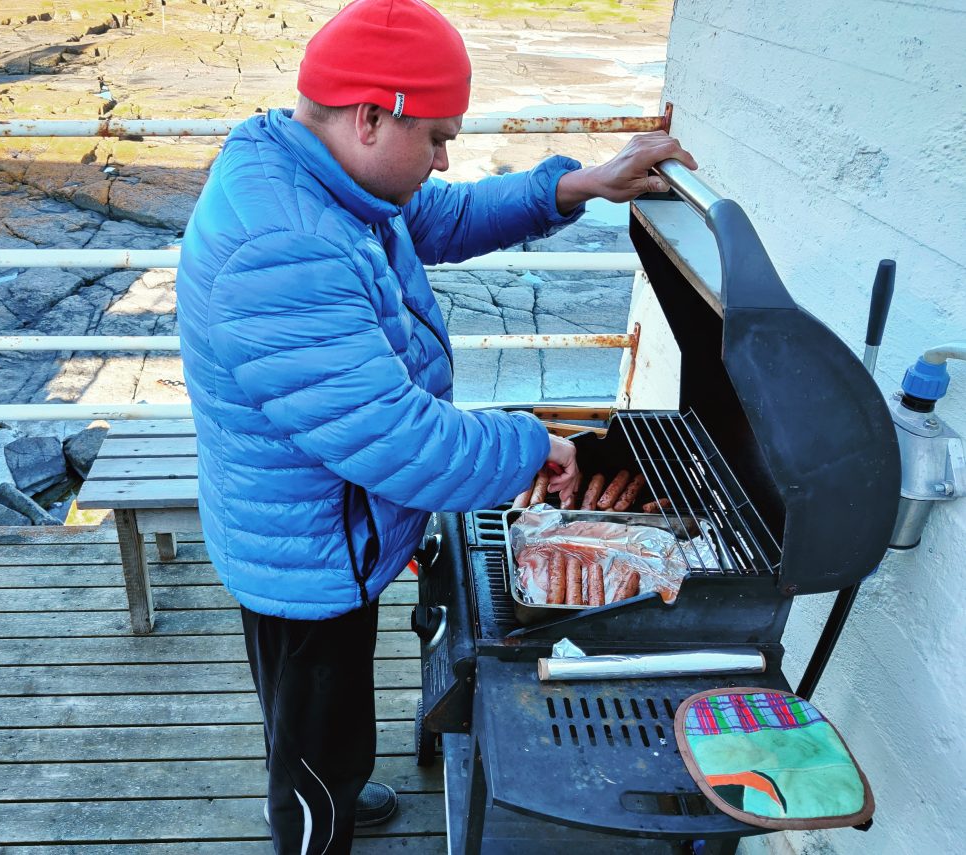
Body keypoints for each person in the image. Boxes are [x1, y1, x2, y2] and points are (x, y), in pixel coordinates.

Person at [176, 1, 697, 851]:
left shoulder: (320, 174)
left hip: (327, 525)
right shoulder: (284, 247)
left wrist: (578, 185)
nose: (444, 158)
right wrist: (535, 444)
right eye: (438, 138)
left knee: (333, 714)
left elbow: (438, 216)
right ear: (371, 117)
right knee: (310, 744)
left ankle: (335, 788)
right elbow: (401, 441)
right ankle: (314, 822)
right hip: (305, 554)